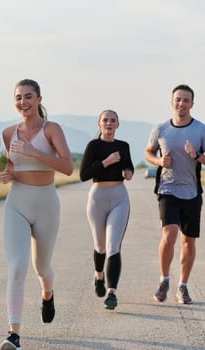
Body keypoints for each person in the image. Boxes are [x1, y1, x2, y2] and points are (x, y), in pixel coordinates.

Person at [0, 79, 73, 350]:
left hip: (46, 205)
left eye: (28, 97)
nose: (23, 102)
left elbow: (67, 167)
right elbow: (11, 164)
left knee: (41, 267)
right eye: (18, 97)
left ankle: (47, 293)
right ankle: (14, 334)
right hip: (17, 202)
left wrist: (35, 152)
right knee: (17, 266)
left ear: (39, 99)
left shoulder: (51, 130)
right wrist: (9, 173)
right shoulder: (8, 133)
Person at [145, 84, 205, 304]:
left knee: (188, 241)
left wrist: (196, 155)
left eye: (186, 100)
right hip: (167, 189)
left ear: (192, 104)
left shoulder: (202, 130)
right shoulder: (160, 129)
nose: (181, 104)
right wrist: (159, 161)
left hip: (191, 193)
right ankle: (164, 280)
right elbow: (148, 152)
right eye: (178, 99)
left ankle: (183, 286)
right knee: (169, 234)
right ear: (172, 101)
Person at [79, 110, 134, 310]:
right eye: (105, 120)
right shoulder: (93, 146)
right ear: (99, 124)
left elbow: (129, 167)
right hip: (97, 198)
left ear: (118, 124)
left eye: (113, 120)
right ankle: (98, 275)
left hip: (119, 197)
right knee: (100, 246)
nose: (109, 123)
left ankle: (112, 293)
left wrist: (129, 172)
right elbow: (83, 174)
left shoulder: (123, 146)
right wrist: (106, 162)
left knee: (113, 246)